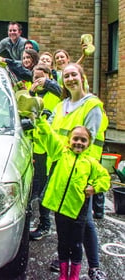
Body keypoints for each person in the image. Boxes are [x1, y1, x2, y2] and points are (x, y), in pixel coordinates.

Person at [47, 63, 109, 280]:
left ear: (82, 77)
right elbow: (51, 135)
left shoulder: (91, 105)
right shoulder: (61, 106)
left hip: (82, 174)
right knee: (63, 219)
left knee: (85, 222)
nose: (70, 79)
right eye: (66, 76)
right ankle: (64, 258)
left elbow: (89, 142)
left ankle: (94, 266)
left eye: (74, 74)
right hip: (60, 169)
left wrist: (90, 180)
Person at [32, 117, 110, 280]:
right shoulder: (60, 153)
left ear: (88, 143)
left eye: (83, 140)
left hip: (78, 211)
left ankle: (73, 276)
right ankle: (63, 275)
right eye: (75, 138)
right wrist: (38, 119)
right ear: (69, 140)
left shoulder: (90, 163)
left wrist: (94, 187)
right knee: (62, 243)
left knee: (75, 245)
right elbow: (49, 133)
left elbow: (105, 177)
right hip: (61, 211)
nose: (79, 143)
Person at [28, 63, 62, 240]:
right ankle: (40, 222)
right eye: (35, 77)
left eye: (41, 77)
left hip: (52, 149)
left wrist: (47, 83)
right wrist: (32, 93)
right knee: (36, 188)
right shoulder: (30, 92)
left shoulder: (56, 93)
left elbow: (63, 92)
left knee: (45, 191)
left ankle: (45, 224)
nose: (38, 81)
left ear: (49, 76)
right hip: (35, 148)